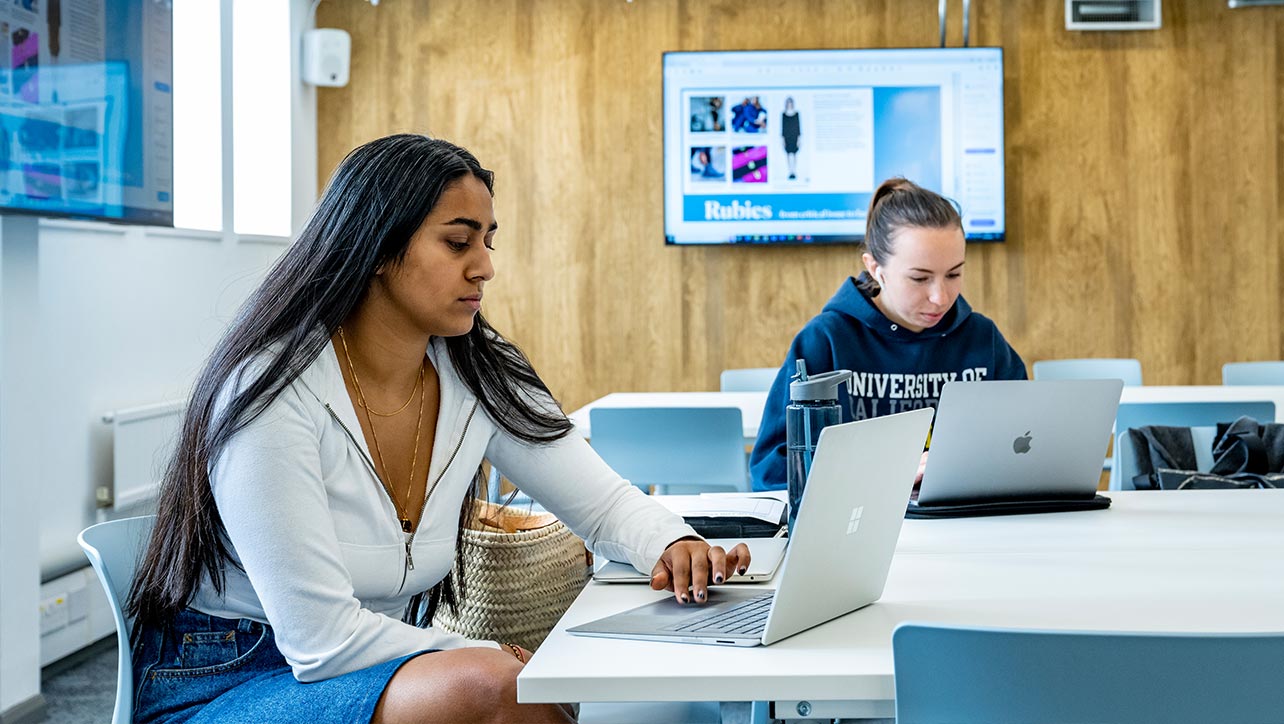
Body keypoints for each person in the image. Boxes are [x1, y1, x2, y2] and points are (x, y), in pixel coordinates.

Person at [126, 134, 750, 724]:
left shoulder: (476, 369)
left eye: (488, 241)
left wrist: (674, 544)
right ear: (374, 249)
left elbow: (606, 506)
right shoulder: (272, 392)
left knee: (507, 683)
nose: (485, 267)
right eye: (458, 243)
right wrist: (478, 655)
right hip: (234, 678)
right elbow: (321, 640)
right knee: (499, 686)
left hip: (383, 661)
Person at [750, 177, 1026, 491]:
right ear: (874, 267)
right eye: (920, 278)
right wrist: (888, 474)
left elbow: (1026, 445)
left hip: (966, 526)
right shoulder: (825, 341)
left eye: (954, 274)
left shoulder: (982, 338)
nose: (941, 296)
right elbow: (771, 472)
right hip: (854, 526)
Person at [781, 97, 801, 180]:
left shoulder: (796, 114)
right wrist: (783, 140)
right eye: (788, 103)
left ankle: (794, 171)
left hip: (794, 137)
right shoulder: (783, 114)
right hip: (787, 137)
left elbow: (798, 127)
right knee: (788, 155)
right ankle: (790, 171)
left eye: (791, 103)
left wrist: (799, 139)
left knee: (795, 154)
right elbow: (783, 128)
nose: (789, 105)